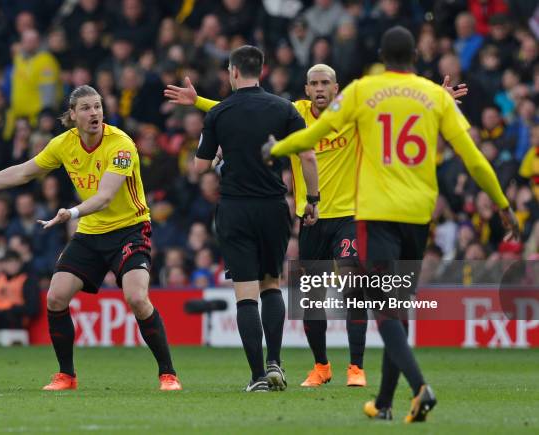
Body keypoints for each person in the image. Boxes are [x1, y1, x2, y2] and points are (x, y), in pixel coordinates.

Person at [264, 26, 519, 422]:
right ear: (416, 56)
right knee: (394, 309)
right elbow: (472, 158)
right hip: (418, 217)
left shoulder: (363, 90)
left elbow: (316, 133)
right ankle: (383, 403)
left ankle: (418, 388)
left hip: (375, 215)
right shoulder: (433, 96)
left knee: (372, 305)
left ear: (382, 55)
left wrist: (276, 150)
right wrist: (502, 203)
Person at [0, 85, 182, 392]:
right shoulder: (64, 144)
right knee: (55, 297)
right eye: (87, 108)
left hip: (129, 229)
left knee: (136, 297)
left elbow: (105, 196)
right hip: (90, 231)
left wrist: (72, 212)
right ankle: (66, 376)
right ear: (73, 115)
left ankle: (168, 374)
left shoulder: (121, 144)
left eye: (98, 107)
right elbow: (24, 172)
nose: (95, 113)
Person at [166, 64, 378, 388]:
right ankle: (321, 366)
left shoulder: (352, 114)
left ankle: (356, 367)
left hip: (349, 215)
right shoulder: (293, 113)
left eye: (326, 83)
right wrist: (199, 101)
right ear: (307, 89)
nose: (320, 89)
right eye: (314, 83)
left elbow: (395, 117)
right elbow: (246, 108)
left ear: (337, 88)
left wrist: (433, 104)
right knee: (311, 299)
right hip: (310, 218)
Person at [185, 45, 319, 392]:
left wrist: (215, 157)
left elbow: (198, 169)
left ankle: (258, 376)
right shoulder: (284, 109)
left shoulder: (219, 114)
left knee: (246, 295)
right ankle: (276, 361)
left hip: (235, 208)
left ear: (232, 72)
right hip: (274, 206)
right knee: (271, 283)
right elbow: (307, 156)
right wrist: (312, 199)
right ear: (261, 69)